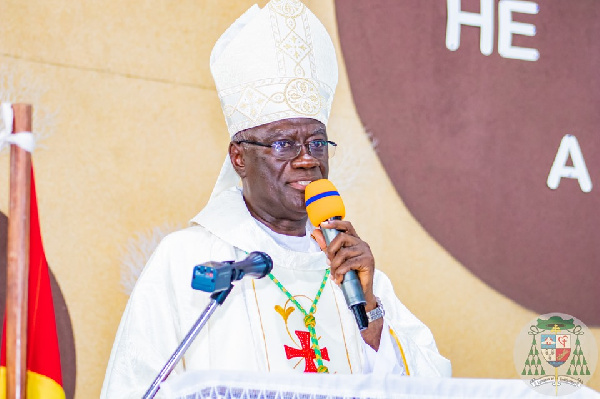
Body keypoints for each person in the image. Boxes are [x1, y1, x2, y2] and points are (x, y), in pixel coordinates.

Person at [101, 1, 451, 397]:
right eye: (284, 143)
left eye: (317, 142)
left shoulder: (355, 274)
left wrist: (370, 313)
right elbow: (135, 386)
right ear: (239, 157)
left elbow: (432, 386)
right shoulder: (189, 262)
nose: (307, 159)